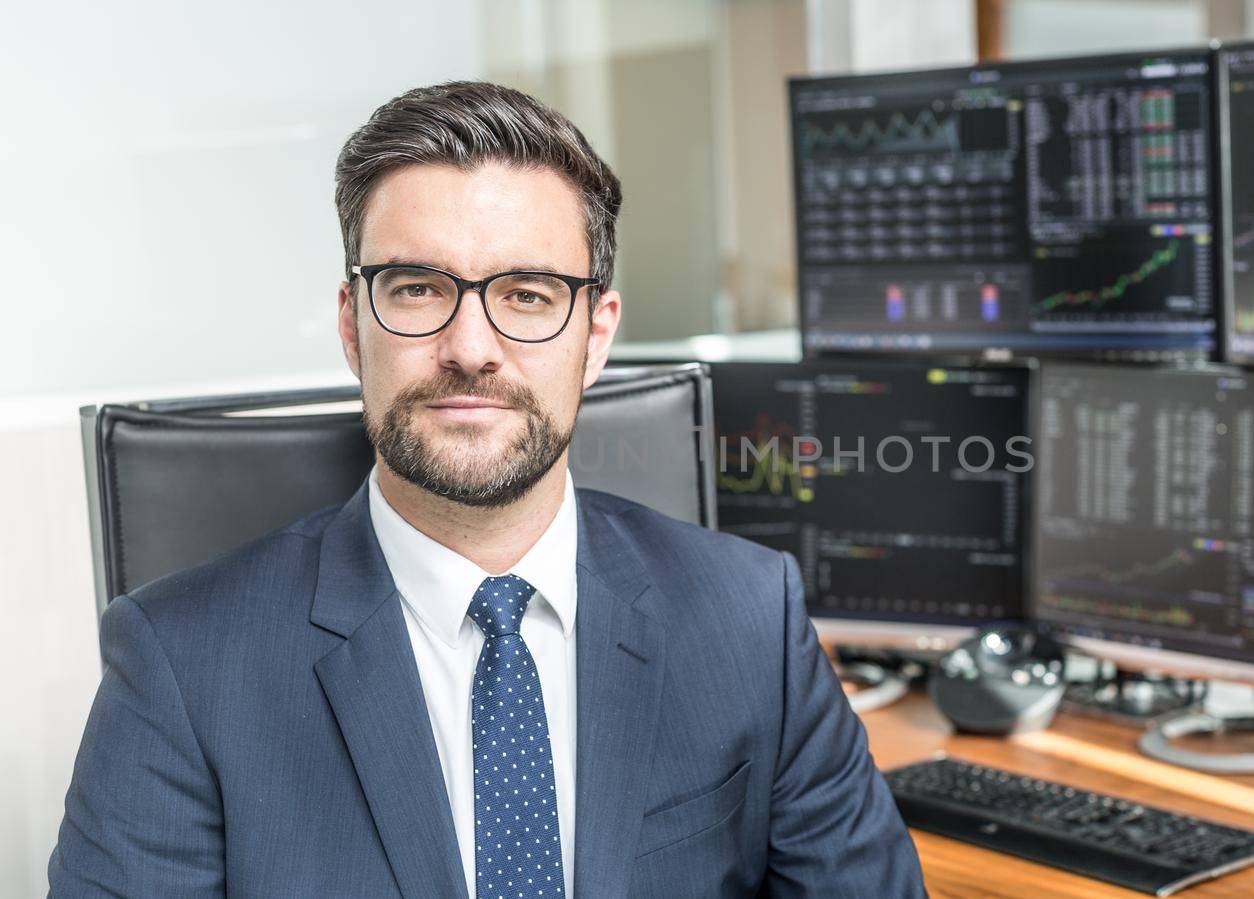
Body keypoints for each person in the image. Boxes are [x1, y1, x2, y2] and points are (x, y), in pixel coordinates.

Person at [48, 81, 924, 898]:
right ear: (355, 325)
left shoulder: (748, 618)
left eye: (529, 294)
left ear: (596, 333)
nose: (471, 345)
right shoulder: (181, 666)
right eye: (420, 288)